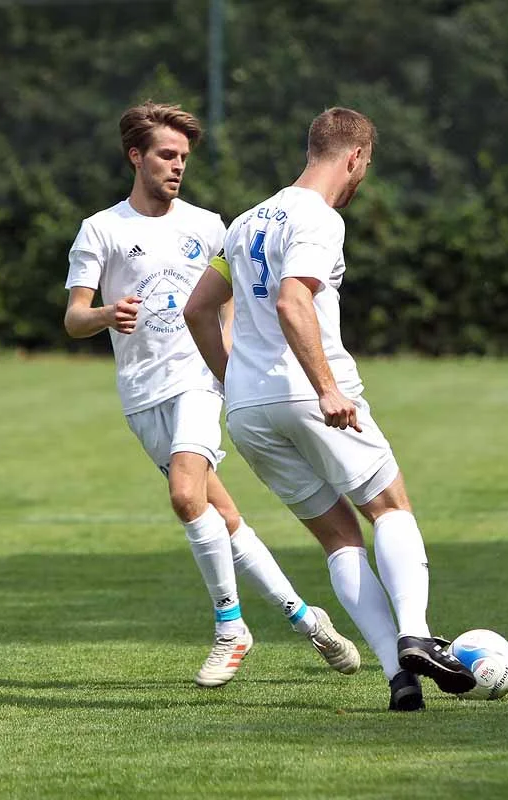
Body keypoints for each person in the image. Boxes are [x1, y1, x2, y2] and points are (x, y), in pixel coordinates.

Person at [184, 106, 478, 711]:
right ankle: (416, 634)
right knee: (389, 505)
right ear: (355, 157)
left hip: (249, 413)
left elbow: (197, 308)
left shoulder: (245, 222)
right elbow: (293, 301)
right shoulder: (318, 217)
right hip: (309, 395)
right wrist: (326, 388)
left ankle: (399, 678)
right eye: (366, 166)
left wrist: (235, 380)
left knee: (340, 537)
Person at [64, 101, 359, 687]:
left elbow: (231, 307)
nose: (178, 165)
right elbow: (74, 318)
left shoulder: (209, 225)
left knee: (183, 494)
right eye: (166, 155)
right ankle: (307, 619)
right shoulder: (102, 229)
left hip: (200, 380)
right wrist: (104, 314)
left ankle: (231, 627)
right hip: (141, 392)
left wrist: (229, 371)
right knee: (219, 515)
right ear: (135, 156)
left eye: (183, 157)